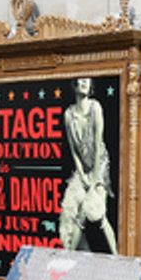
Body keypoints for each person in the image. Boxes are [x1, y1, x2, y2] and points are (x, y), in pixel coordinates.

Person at [59, 77, 118, 253]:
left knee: (97, 214)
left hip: (100, 164)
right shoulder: (69, 114)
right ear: (75, 84)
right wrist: (82, 174)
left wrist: (94, 179)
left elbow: (99, 144)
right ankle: (70, 254)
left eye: (88, 81)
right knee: (72, 214)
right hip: (82, 168)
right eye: (81, 80)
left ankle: (117, 256)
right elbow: (74, 150)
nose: (85, 83)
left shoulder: (95, 107)